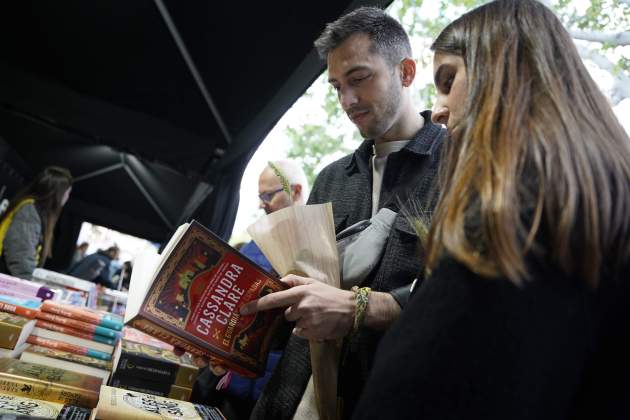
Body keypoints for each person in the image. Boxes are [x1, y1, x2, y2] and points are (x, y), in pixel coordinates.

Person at [353, 1, 630, 419]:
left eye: (448, 80)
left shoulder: (514, 218)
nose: (439, 109)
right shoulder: (596, 206)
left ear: (504, 69)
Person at [243, 7, 445, 419]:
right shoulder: (331, 179)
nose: (347, 101)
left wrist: (359, 308)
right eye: (336, 87)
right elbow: (297, 296)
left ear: (406, 72)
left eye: (358, 79)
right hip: (287, 401)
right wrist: (232, 340)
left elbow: (462, 300)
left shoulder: (462, 168)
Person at [191, 160, 309, 420]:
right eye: (260, 196)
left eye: (268, 195)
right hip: (231, 384)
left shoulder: (319, 244)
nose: (261, 204)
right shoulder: (254, 246)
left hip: (280, 392)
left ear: (297, 191)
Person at [0, 166, 73, 279]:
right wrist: (30, 284)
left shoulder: (33, 209)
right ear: (57, 193)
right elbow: (20, 253)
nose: (68, 196)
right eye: (67, 192)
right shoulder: (30, 210)